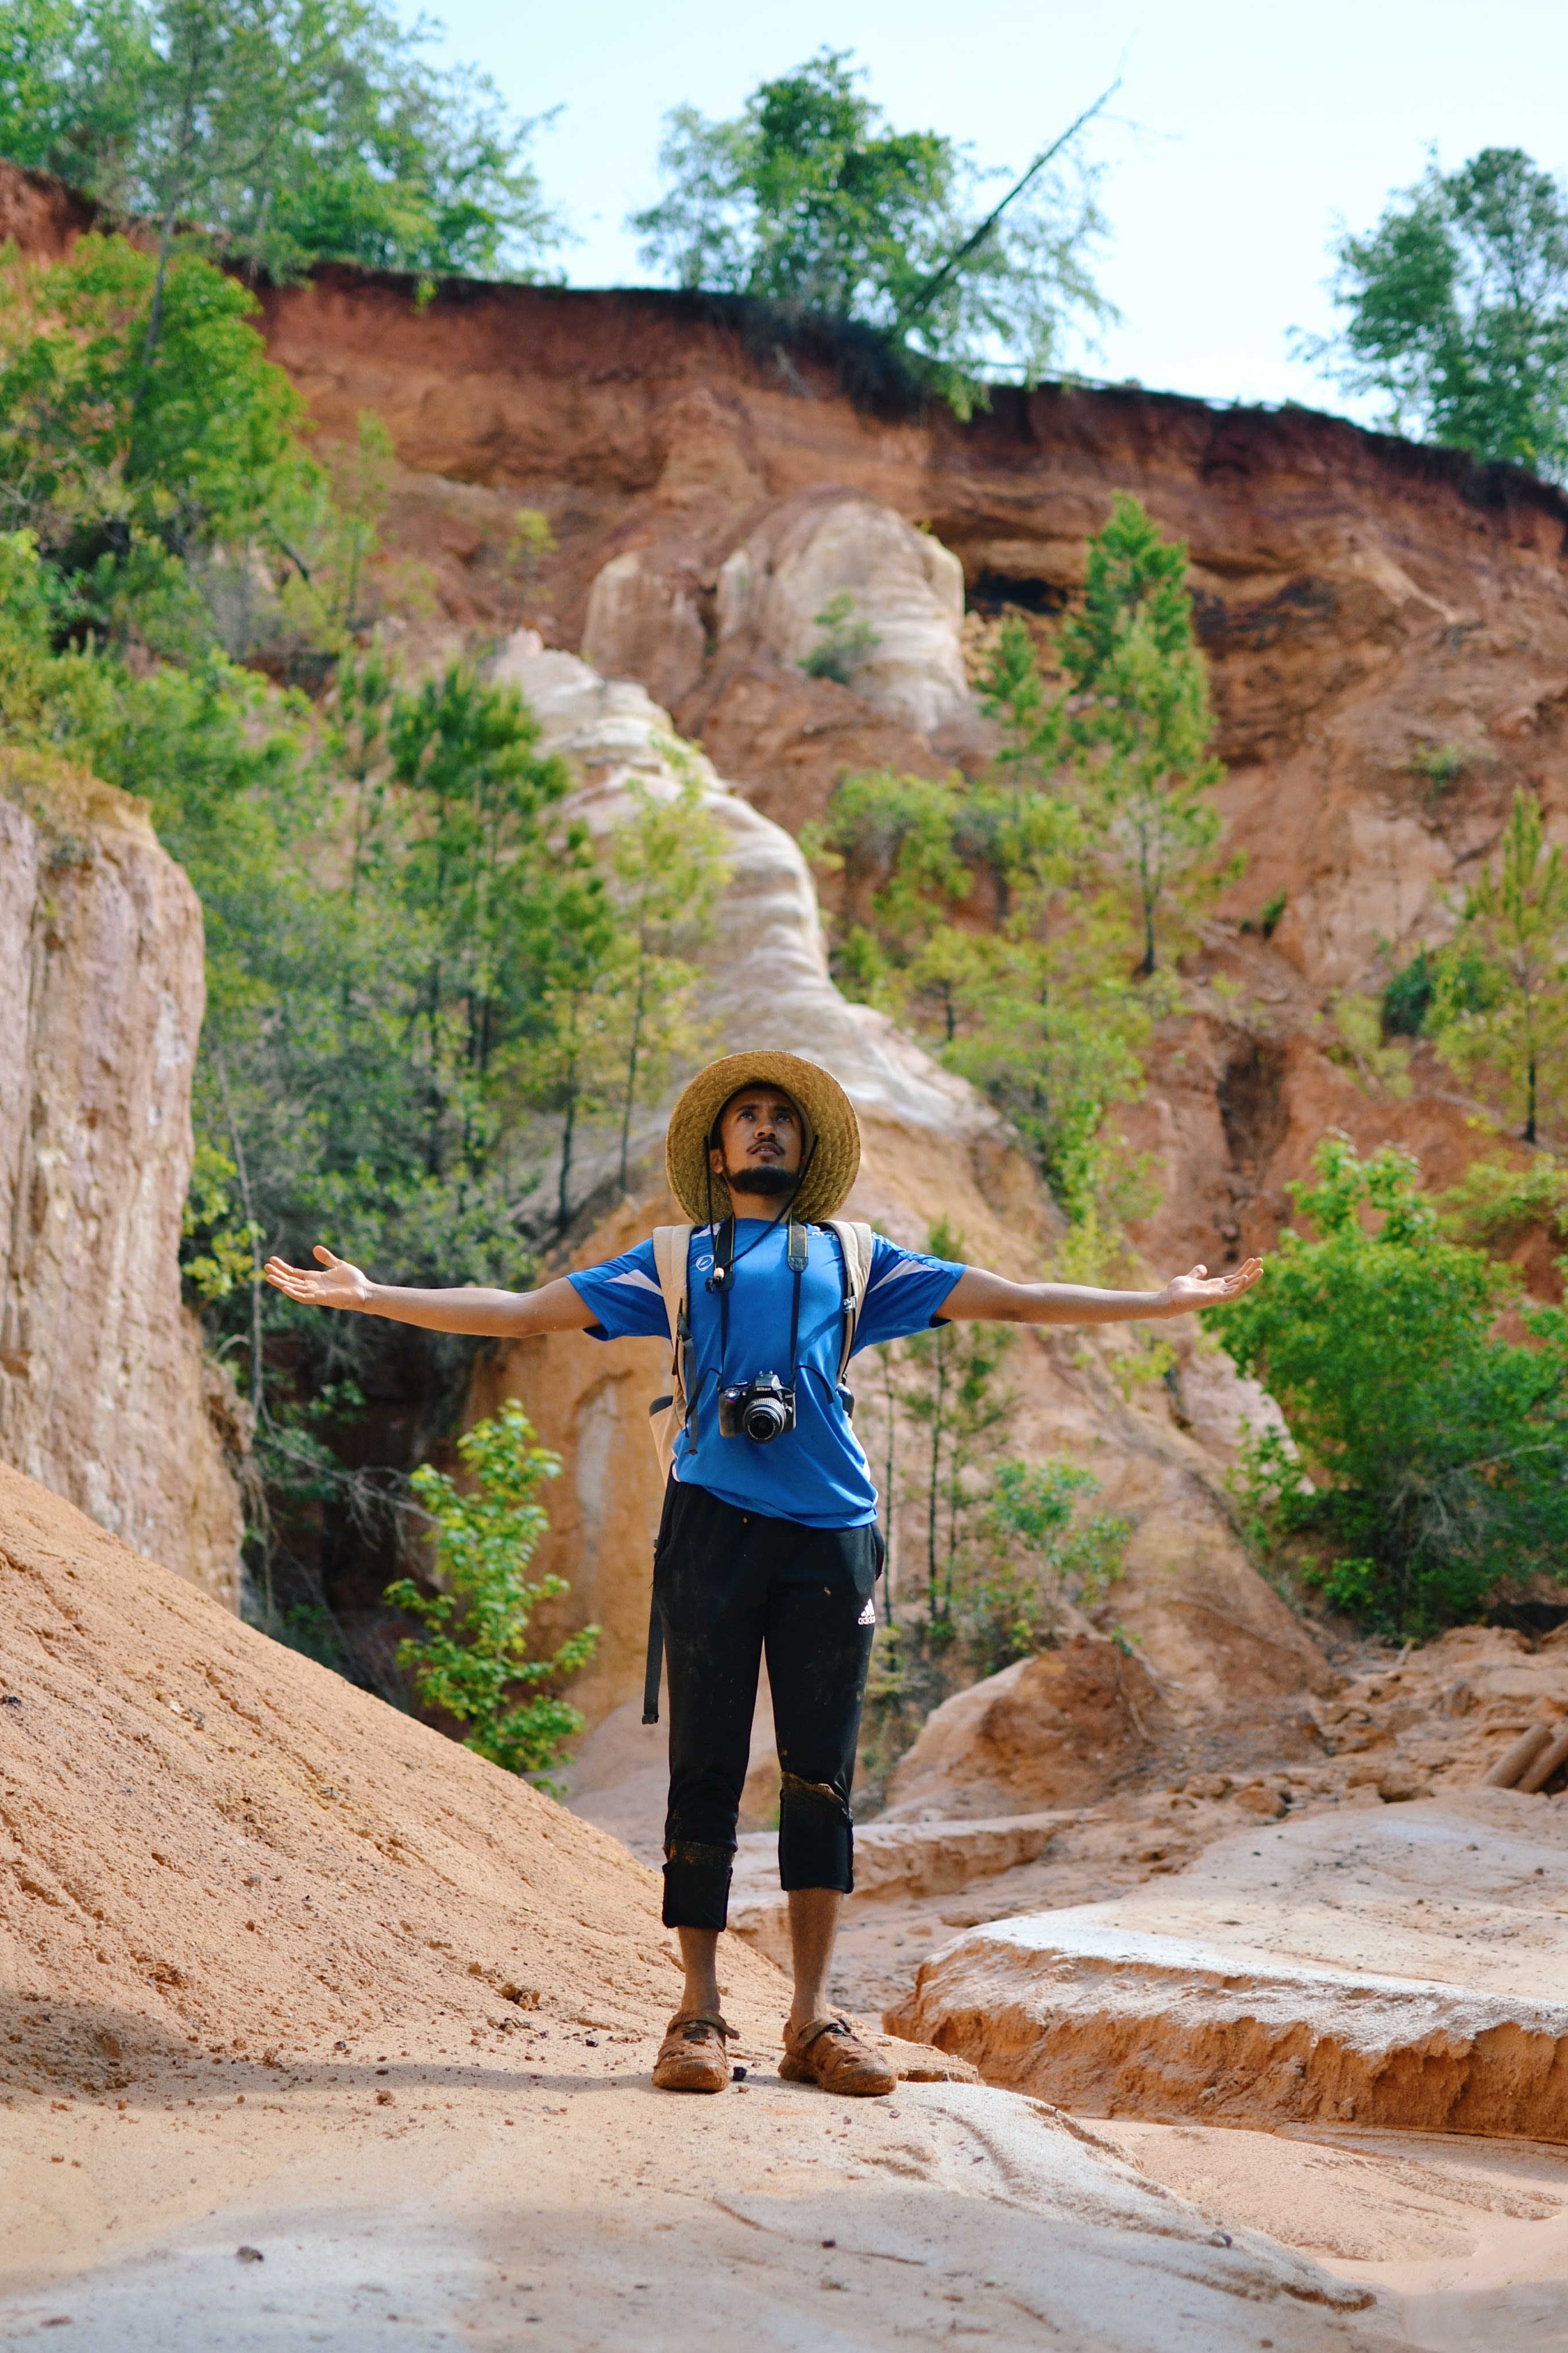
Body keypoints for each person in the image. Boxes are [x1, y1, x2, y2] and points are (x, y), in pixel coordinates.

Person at [264, 1050, 1261, 2100]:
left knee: (819, 1777)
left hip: (834, 1535)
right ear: (716, 1148)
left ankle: (812, 2019)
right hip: (711, 1528)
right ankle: (696, 2014)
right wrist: (374, 1296)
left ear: (806, 1147)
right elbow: (517, 1312)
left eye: (781, 1119)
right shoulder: (671, 1258)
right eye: (746, 1117)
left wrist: (1155, 1302)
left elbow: (1011, 1299)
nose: (765, 1129)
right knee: (701, 1771)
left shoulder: (858, 1257)